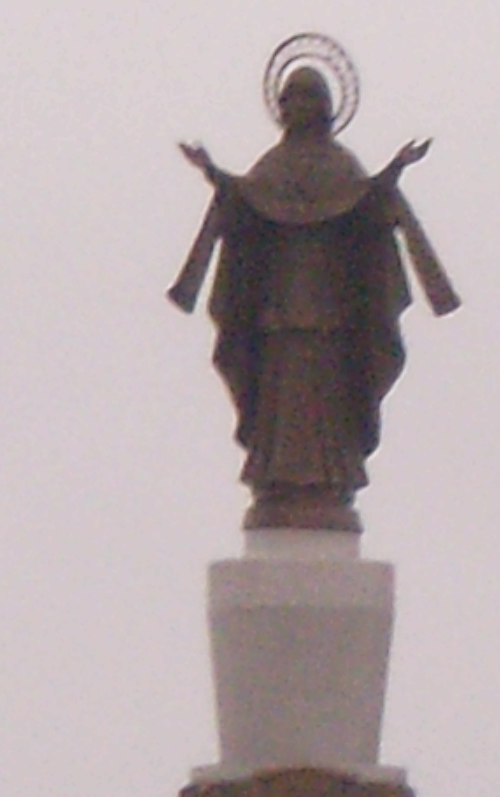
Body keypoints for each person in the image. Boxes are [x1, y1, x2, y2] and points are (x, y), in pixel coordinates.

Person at [169, 63, 458, 526]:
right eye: (288, 101)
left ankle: (330, 480)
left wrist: (395, 170)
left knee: (327, 397)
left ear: (323, 108)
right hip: (277, 311)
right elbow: (249, 200)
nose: (294, 109)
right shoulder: (273, 167)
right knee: (277, 395)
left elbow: (361, 201)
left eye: (303, 99)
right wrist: (213, 174)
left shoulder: (340, 167)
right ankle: (275, 481)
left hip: (332, 313)